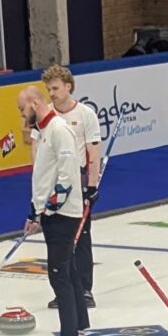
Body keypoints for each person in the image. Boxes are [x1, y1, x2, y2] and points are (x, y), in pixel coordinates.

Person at [19, 86, 88, 336]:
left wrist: (49, 209)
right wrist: (34, 213)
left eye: (22, 109)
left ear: (35, 103)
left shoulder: (59, 130)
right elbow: (44, 176)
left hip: (61, 216)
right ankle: (79, 329)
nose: (22, 115)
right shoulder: (44, 130)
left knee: (59, 275)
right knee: (69, 272)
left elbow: (67, 175)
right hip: (50, 213)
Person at [41, 65, 101, 315]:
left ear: (68, 87)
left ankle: (85, 288)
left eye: (55, 88)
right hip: (51, 182)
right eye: (48, 89)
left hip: (76, 180)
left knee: (81, 234)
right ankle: (62, 288)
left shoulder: (85, 114)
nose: (52, 93)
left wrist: (92, 186)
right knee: (57, 238)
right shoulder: (47, 117)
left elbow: (93, 151)